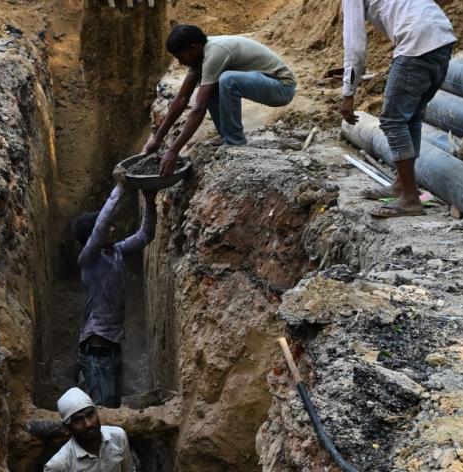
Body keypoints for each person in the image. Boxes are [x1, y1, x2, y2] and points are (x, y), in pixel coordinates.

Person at [340, 0, 456, 218]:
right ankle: (401, 185)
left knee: (393, 121)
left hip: (416, 42)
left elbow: (355, 45)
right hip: (442, 37)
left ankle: (410, 199)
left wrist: (348, 92)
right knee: (411, 117)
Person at [143, 25, 297, 176]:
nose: (180, 63)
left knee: (228, 80)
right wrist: (157, 139)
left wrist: (173, 151)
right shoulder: (200, 56)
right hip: (266, 83)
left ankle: (235, 141)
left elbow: (199, 108)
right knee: (211, 84)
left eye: (181, 57)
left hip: (282, 88)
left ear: (193, 48)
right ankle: (226, 135)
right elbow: (181, 98)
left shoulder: (215, 54)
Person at [71, 171, 157, 407]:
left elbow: (146, 234)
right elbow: (101, 226)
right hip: (97, 351)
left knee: (110, 407)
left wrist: (150, 200)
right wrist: (120, 187)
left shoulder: (116, 251)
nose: (112, 228)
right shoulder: (88, 259)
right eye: (108, 226)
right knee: (102, 410)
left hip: (111, 348)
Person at [44, 388, 136, 471]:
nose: (88, 424)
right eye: (78, 420)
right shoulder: (59, 465)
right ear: (67, 428)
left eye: (90, 415)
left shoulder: (118, 436)